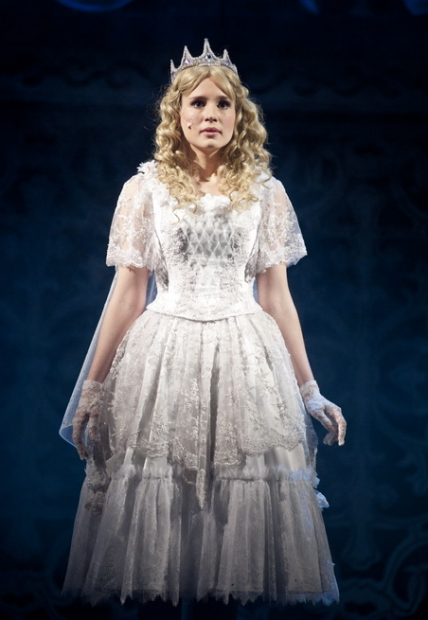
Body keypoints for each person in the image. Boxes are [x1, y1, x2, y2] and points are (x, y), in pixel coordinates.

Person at [60, 39, 347, 614]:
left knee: (232, 537)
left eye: (223, 104)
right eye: (198, 103)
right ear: (177, 115)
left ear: (240, 117)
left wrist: (309, 389)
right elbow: (127, 294)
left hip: (244, 357)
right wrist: (92, 387)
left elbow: (277, 297)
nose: (210, 114)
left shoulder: (266, 193)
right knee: (161, 523)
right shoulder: (145, 190)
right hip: (164, 355)